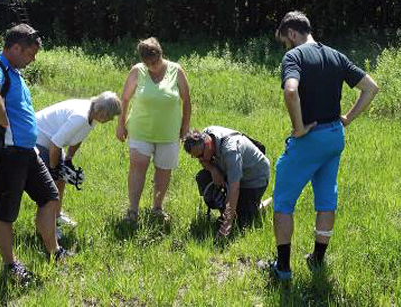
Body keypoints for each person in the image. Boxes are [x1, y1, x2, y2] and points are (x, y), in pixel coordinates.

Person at [270, 11, 379, 280]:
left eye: (285, 40)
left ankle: (282, 268)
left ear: (292, 33)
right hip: (334, 137)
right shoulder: (335, 55)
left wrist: (298, 128)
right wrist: (347, 119)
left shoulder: (294, 57)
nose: (286, 46)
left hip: (309, 138)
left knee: (283, 202)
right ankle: (317, 259)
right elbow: (371, 88)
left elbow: (291, 90)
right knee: (326, 199)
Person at [0, 24, 70, 283]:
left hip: (27, 152)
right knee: (6, 213)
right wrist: (6, 124)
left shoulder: (14, 72)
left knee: (51, 198)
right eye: (30, 54)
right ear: (16, 48)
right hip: (8, 155)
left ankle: (54, 251)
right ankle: (10, 266)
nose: (33, 60)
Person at [116, 37, 191, 222]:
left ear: (161, 54)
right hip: (140, 130)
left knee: (164, 170)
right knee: (137, 168)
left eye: (155, 61)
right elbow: (124, 99)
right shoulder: (137, 71)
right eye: (147, 63)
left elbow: (186, 100)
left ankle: (157, 208)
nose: (152, 66)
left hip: (169, 132)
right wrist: (120, 124)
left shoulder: (176, 70)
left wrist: (185, 126)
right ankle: (133, 210)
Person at [35, 91, 122, 235]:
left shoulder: (92, 114)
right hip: (39, 139)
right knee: (49, 187)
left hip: (52, 141)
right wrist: (53, 169)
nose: (111, 119)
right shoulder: (80, 117)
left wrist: (68, 159)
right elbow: (54, 144)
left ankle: (57, 215)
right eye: (110, 116)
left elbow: (79, 137)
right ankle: (46, 228)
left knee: (60, 180)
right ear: (100, 111)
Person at [183, 127, 270, 236]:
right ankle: (226, 211)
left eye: (200, 156)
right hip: (232, 171)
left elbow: (234, 188)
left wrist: (227, 223)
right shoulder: (206, 135)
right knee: (203, 178)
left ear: (208, 145)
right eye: (196, 157)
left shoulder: (231, 151)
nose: (200, 160)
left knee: (242, 224)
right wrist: (213, 169)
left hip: (254, 179)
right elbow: (203, 160)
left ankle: (259, 206)